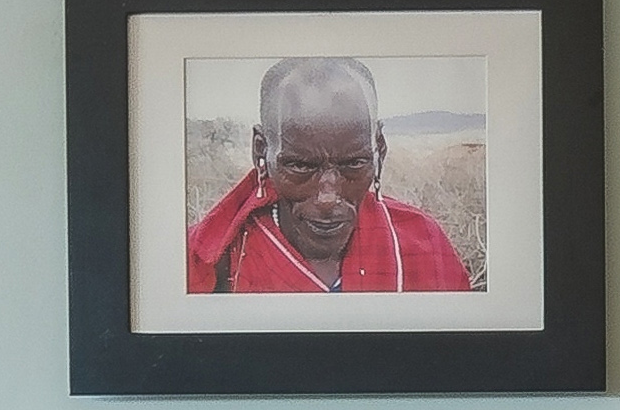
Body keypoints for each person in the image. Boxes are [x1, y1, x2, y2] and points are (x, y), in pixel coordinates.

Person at [183, 54, 478, 295]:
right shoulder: (210, 264)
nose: (327, 198)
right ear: (261, 151)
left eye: (354, 164)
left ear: (379, 149)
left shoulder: (424, 246)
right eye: (300, 166)